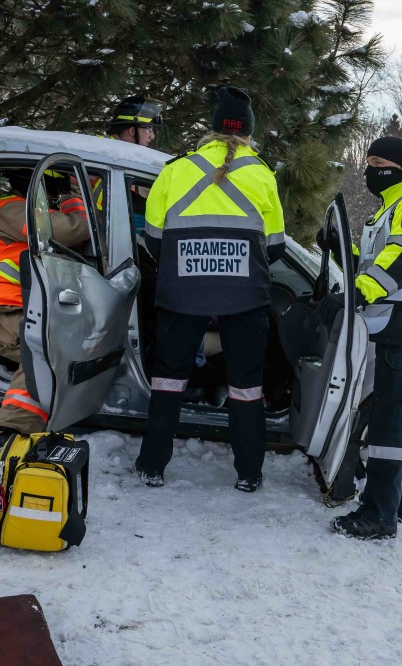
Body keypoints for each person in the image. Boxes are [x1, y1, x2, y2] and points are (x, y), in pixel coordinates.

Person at [134, 86, 286, 491]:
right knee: (246, 386)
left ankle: (152, 466)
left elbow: (153, 240)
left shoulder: (175, 170)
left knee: (168, 380)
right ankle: (249, 473)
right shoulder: (262, 175)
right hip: (245, 302)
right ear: (249, 133)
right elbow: (275, 247)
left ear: (213, 129)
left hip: (181, 297)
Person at [327, 136, 402, 541]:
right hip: (399, 328)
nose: (369, 170)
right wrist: (340, 248)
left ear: (400, 166)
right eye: (368, 162)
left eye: (378, 161)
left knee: (388, 424)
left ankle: (378, 516)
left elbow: (399, 261)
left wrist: (359, 292)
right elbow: (375, 258)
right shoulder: (390, 211)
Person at [0, 170, 89, 452]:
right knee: (46, 352)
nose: (53, 198)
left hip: (2, 304)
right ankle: (8, 431)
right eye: (53, 191)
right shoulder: (11, 210)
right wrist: (75, 200)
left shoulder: (15, 210)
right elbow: (70, 230)